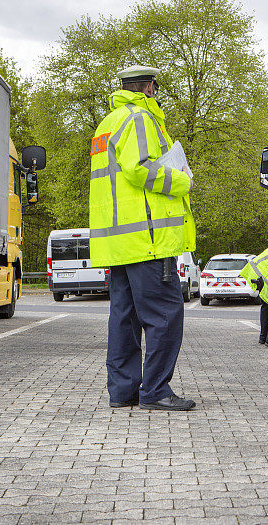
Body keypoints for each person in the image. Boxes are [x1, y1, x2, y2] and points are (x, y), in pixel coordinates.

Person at [88, 65, 196, 411]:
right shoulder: (139, 119)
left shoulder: (107, 124)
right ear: (150, 87)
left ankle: (123, 392)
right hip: (147, 241)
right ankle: (155, 391)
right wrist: (182, 180)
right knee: (165, 315)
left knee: (124, 318)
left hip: (119, 243)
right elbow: (141, 169)